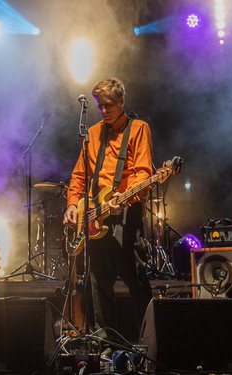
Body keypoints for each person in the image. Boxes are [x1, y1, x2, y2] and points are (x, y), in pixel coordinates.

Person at [63, 78, 154, 335]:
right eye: (100, 106)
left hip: (126, 210)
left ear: (122, 101)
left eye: (109, 105)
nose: (104, 111)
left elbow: (143, 172)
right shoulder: (91, 134)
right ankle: (106, 341)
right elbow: (79, 176)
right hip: (94, 213)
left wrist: (123, 197)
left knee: (134, 277)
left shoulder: (138, 129)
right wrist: (72, 204)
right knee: (98, 280)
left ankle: (151, 340)